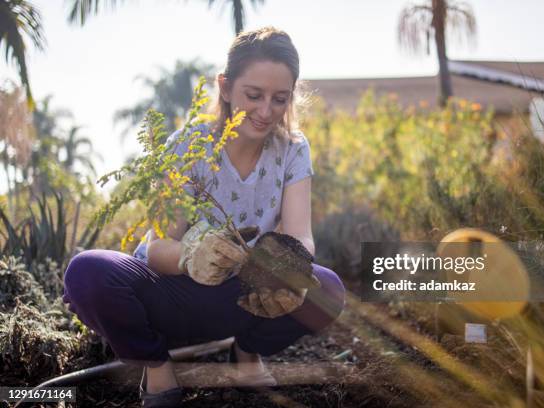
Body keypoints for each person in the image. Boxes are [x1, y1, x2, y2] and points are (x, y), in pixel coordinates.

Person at [62, 27, 346, 407]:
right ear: (226, 88)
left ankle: (246, 353)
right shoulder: (189, 146)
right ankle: (158, 367)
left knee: (326, 288)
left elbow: (302, 237)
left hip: (243, 296)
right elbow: (159, 247)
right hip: (171, 296)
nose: (266, 112)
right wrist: (192, 255)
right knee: (87, 271)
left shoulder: (292, 149)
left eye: (280, 99)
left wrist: (282, 260)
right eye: (254, 95)